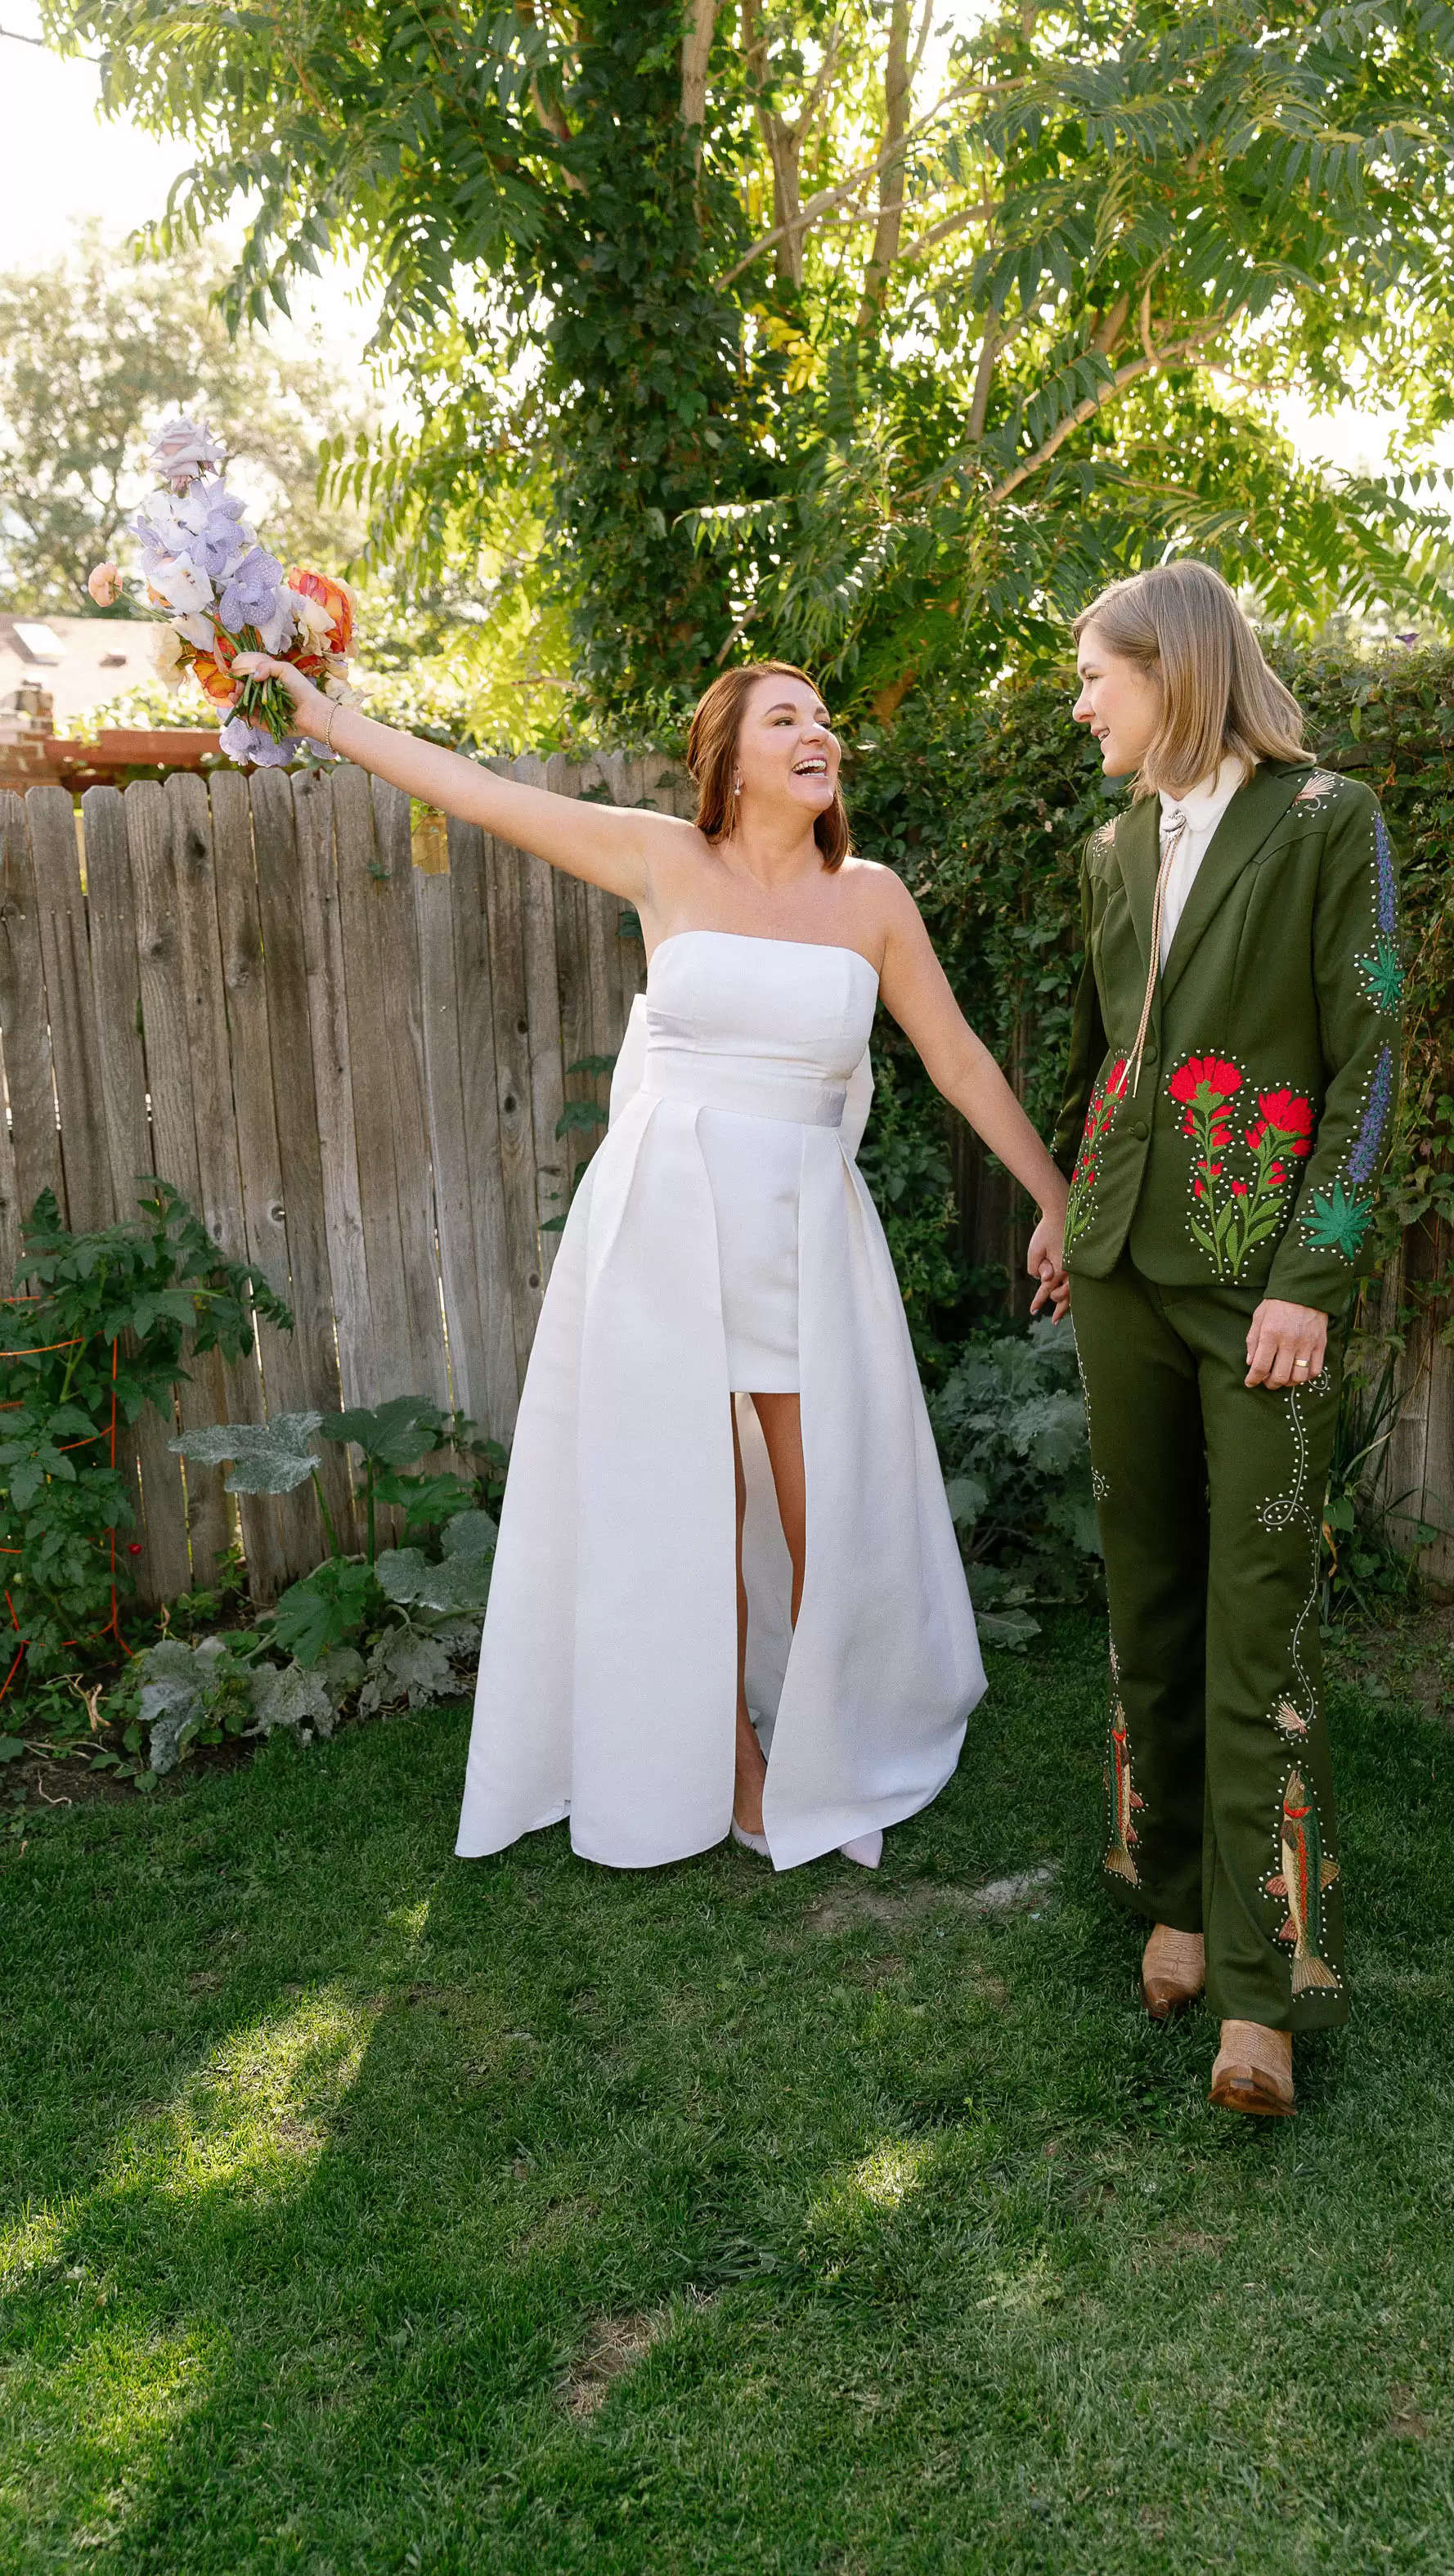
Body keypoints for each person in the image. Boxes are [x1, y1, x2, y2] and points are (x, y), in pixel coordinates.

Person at [235, 648, 1073, 1873]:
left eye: (827, 719)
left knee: (820, 1493)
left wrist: (1056, 1196)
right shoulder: (661, 859)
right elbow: (471, 790)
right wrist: (320, 716)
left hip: (803, 1230)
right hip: (665, 1219)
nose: (819, 732)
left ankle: (833, 1749)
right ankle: (729, 1759)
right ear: (727, 760)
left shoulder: (874, 898)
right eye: (786, 717)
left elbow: (958, 1061)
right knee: (692, 1502)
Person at [1025, 563, 1400, 2116]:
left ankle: (1265, 1985)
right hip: (1119, 1265)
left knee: (1260, 1623)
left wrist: (1313, 1273)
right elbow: (1119, 1046)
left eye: (1096, 675)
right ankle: (1171, 1893)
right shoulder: (1116, 846)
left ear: (1173, 670)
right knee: (1150, 1599)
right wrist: (1066, 1204)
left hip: (1261, 1291)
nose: (1080, 701)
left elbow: (1372, 1053)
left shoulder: (1329, 819)